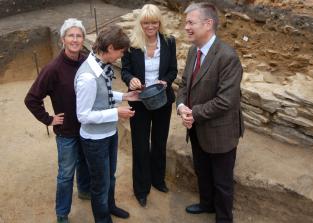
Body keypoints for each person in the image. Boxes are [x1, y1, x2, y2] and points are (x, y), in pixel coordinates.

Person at [176, 2, 244, 223]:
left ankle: (224, 218)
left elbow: (226, 101)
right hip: (196, 127)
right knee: (202, 171)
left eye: (190, 22)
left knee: (222, 182)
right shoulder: (192, 51)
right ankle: (206, 204)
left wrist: (193, 113)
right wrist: (181, 107)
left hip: (220, 132)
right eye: (186, 22)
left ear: (208, 24)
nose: (186, 27)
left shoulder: (227, 57)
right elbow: (185, 85)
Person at [24, 18, 91, 223]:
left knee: (85, 164)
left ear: (83, 39)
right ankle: (62, 213)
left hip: (86, 127)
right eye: (71, 35)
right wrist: (49, 119)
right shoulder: (53, 68)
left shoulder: (87, 61)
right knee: (65, 174)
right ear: (63, 39)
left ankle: (85, 191)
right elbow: (31, 99)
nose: (75, 39)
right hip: (67, 132)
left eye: (79, 36)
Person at [74, 25, 139, 223]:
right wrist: (116, 112)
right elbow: (83, 116)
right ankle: (102, 219)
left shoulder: (100, 65)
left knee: (110, 177)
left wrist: (125, 95)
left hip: (109, 133)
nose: (121, 56)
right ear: (110, 48)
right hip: (95, 140)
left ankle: (110, 207)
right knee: (100, 184)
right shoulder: (87, 77)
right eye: (120, 51)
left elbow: (102, 96)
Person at [121, 4, 177, 207]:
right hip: (140, 101)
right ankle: (141, 188)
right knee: (141, 145)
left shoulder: (169, 42)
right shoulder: (132, 44)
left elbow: (173, 70)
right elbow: (124, 70)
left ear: (159, 22)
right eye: (146, 23)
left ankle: (158, 180)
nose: (150, 26)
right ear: (140, 23)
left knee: (160, 143)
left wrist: (166, 81)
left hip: (161, 99)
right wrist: (131, 79)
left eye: (154, 22)